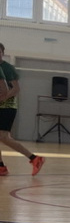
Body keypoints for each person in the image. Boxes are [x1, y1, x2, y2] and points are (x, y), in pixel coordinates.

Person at [0, 43, 45, 177]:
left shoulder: (8, 68)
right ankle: (1, 167)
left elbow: (16, 89)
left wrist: (2, 99)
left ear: (3, 53)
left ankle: (34, 158)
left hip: (8, 107)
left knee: (3, 137)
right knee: (3, 137)